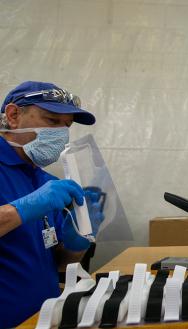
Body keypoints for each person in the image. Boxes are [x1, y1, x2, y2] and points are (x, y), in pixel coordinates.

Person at [0, 81, 97, 327]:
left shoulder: (46, 182)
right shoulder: (45, 192)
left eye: (67, 126)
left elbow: (61, 263)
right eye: (52, 121)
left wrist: (77, 241)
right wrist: (23, 208)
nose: (61, 134)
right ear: (13, 115)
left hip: (42, 320)